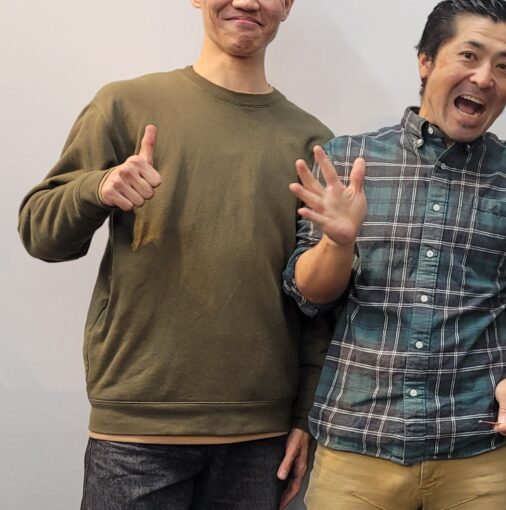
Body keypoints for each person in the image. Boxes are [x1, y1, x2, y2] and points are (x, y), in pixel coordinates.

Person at [18, 1, 332, 508]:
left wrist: (305, 416)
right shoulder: (124, 104)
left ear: (288, 5)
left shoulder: (311, 142)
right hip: (136, 430)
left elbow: (318, 302)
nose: (247, 2)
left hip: (260, 437)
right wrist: (99, 188)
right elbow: (40, 234)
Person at [282, 0, 506, 508]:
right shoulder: (348, 159)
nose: (485, 77)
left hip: (479, 448)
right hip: (357, 445)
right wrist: (338, 242)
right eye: (469, 56)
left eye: (504, 67)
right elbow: (309, 296)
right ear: (426, 61)